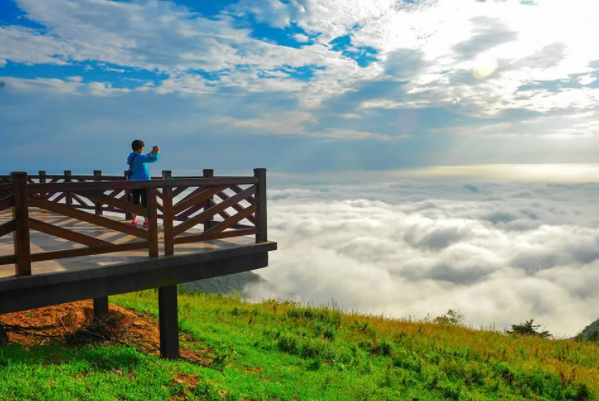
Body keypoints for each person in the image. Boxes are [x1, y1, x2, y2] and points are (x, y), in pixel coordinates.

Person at [127, 140, 160, 226]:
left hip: (134, 182)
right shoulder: (139, 158)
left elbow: (145, 156)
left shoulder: (132, 157)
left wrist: (151, 152)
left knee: (135, 201)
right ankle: (146, 220)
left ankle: (134, 220)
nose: (143, 149)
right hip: (143, 183)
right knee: (145, 201)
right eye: (142, 148)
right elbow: (153, 159)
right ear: (139, 148)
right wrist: (157, 153)